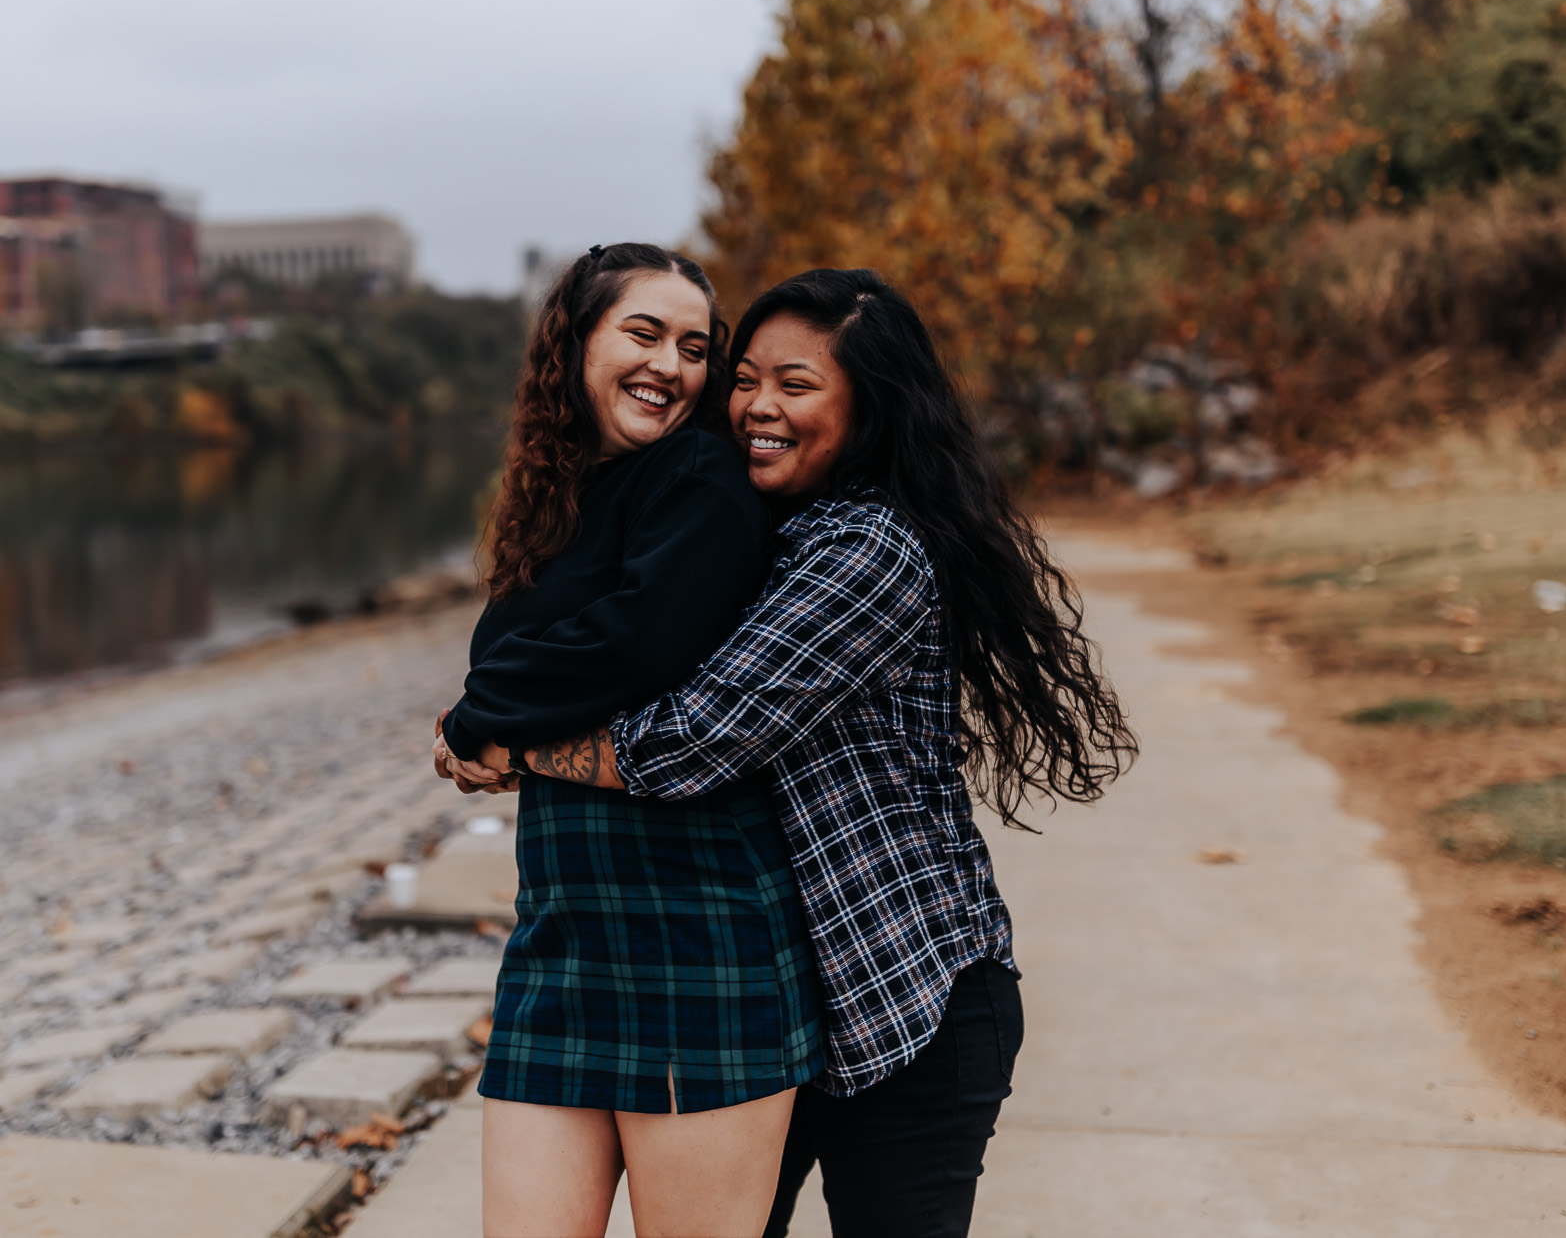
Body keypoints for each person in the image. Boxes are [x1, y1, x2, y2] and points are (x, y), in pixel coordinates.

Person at [475, 268, 1138, 1237]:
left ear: (866, 405)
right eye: (743, 378)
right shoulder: (738, 515)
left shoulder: (866, 549)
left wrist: (508, 747)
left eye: (795, 384)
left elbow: (689, 741)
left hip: (905, 996)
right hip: (782, 991)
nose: (755, 406)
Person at [432, 243, 825, 1238]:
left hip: (694, 936)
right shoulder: (557, 501)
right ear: (574, 344)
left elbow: (635, 642)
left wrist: (482, 721)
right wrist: (496, 698)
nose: (671, 365)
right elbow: (512, 659)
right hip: (559, 940)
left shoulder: (700, 477)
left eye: (696, 347)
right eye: (642, 333)